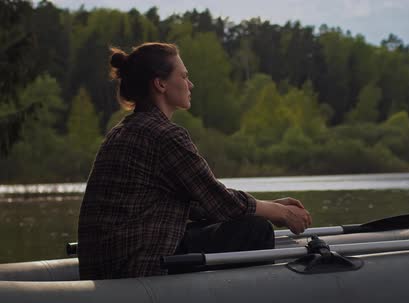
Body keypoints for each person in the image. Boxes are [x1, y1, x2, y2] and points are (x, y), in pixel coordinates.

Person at [77, 42, 312, 280]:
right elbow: (219, 201)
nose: (190, 84)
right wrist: (277, 211)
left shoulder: (121, 131)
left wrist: (265, 205)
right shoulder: (164, 135)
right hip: (136, 265)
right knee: (255, 229)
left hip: (105, 262)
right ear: (160, 84)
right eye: (184, 76)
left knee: (229, 221)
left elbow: (200, 202)